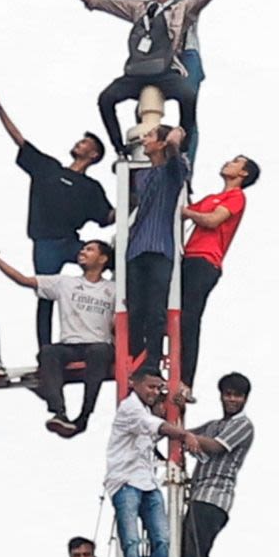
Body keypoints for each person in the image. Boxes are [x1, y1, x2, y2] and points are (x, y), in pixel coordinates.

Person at [51, 0, 240, 155]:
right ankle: (119, 149)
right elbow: (97, 2)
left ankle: (183, 151)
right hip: (136, 73)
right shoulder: (138, 8)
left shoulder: (182, 10)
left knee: (188, 96)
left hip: (165, 72)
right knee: (106, 99)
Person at [0, 86, 115, 302]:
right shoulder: (48, 168)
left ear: (93, 154)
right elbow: (20, 141)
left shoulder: (92, 188)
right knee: (44, 294)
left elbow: (107, 216)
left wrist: (135, 197)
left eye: (84, 143)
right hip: (45, 243)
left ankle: (114, 306)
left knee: (112, 260)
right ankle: (44, 338)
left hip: (70, 242)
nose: (78, 144)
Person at [0, 240, 117, 436]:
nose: (82, 251)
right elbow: (23, 280)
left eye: (90, 249)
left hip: (98, 345)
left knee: (100, 351)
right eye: (83, 248)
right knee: (48, 352)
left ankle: (84, 416)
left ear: (103, 258)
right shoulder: (65, 283)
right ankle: (59, 412)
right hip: (71, 345)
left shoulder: (113, 289)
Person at [160, 372, 253, 557]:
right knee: (182, 550)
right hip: (199, 495)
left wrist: (184, 435)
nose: (232, 399)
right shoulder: (213, 425)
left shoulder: (243, 426)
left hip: (214, 498)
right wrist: (174, 421)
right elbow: (182, 434)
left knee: (195, 551)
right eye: (228, 394)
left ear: (245, 399)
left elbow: (215, 446)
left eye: (237, 395)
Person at [116, 123, 191, 379]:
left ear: (160, 143)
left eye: (149, 136)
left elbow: (175, 157)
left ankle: (153, 361)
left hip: (160, 248)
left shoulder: (175, 170)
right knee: (135, 309)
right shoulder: (142, 175)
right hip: (137, 249)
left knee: (156, 310)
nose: (144, 140)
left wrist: (174, 139)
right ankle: (138, 357)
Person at [176, 154, 255, 390]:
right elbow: (185, 209)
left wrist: (188, 213)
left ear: (243, 173)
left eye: (235, 162)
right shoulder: (213, 197)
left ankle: (185, 380)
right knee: (174, 313)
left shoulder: (236, 196)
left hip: (205, 261)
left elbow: (211, 220)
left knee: (190, 317)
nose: (228, 162)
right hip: (189, 258)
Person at [101, 380, 169, 557]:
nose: (153, 392)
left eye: (157, 389)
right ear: (136, 385)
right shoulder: (129, 408)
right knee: (132, 541)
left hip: (147, 482)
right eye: (150, 387)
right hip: (125, 482)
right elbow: (156, 427)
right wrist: (185, 434)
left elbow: (152, 433)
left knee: (162, 538)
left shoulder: (145, 414)